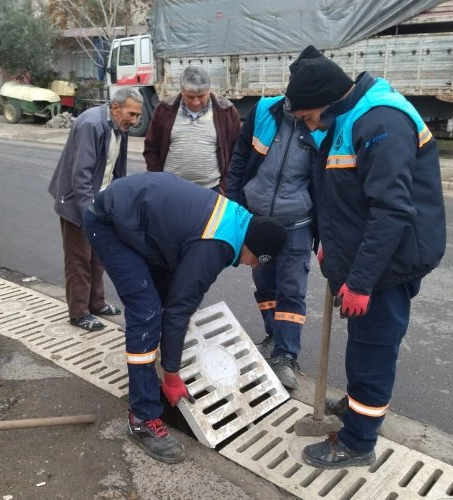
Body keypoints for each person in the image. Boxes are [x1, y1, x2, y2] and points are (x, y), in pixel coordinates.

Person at [284, 46, 446, 469]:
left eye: (306, 117)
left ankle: (358, 441)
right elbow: (344, 199)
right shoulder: (348, 118)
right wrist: (328, 246)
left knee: (372, 349)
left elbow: (391, 210)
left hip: (386, 265)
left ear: (325, 102)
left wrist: (361, 281)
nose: (307, 126)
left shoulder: (381, 121)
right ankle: (360, 407)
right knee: (363, 347)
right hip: (364, 259)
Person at [83, 172, 288, 464]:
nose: (250, 265)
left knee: (164, 299)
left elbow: (178, 298)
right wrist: (172, 375)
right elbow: (180, 308)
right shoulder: (218, 245)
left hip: (140, 223)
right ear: (253, 247)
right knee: (147, 311)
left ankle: (147, 376)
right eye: (254, 259)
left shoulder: (239, 221)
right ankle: (142, 418)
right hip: (109, 224)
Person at [225, 91, 317, 391]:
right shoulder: (264, 110)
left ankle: (285, 355)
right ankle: (274, 335)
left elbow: (328, 183)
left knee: (292, 289)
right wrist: (236, 206)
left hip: (297, 223)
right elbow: (240, 158)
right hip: (258, 220)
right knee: (265, 285)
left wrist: (325, 235)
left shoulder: (321, 120)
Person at [48, 87, 143, 332]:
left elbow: (117, 170)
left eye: (137, 116)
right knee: (79, 258)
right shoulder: (91, 124)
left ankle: (96, 302)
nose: (134, 121)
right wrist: (87, 214)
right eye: (131, 114)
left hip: (100, 202)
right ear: (115, 107)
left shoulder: (119, 126)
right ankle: (79, 313)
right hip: (77, 202)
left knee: (98, 255)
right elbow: (81, 175)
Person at [144, 66, 241, 192]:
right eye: (190, 97)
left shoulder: (227, 111)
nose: (196, 102)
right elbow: (151, 148)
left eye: (201, 96)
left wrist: (225, 185)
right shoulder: (164, 109)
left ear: (209, 90)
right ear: (182, 91)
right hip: (170, 189)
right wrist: (158, 179)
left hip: (211, 190)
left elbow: (237, 152)